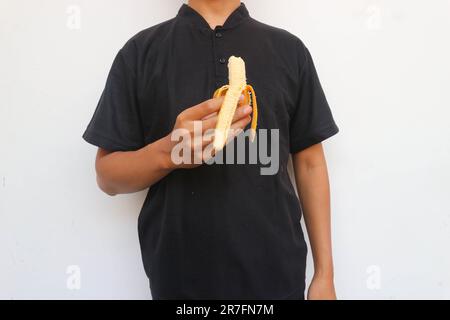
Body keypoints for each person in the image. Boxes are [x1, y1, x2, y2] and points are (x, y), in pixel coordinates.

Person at [83, 0, 339, 300]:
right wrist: (169, 152)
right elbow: (107, 176)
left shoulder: (289, 50)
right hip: (179, 280)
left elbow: (310, 164)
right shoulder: (140, 52)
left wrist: (325, 275)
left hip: (276, 275)